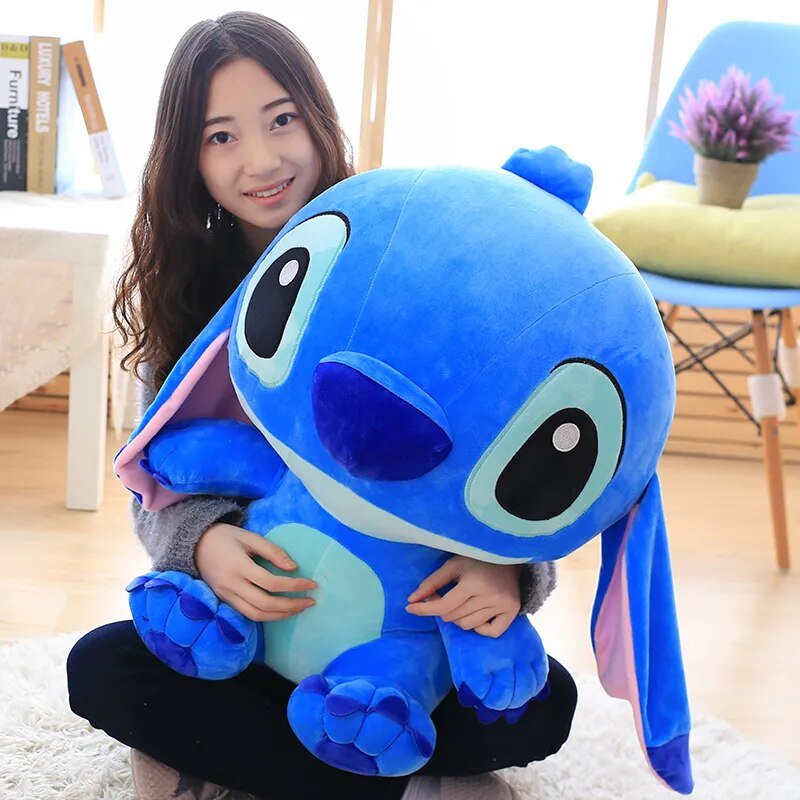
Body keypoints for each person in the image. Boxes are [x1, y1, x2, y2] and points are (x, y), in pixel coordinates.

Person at [66, 12, 576, 800]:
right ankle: (391, 776)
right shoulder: (187, 294)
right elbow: (154, 476)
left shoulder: (394, 246)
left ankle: (269, 760)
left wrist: (507, 569)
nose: (262, 161)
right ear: (187, 157)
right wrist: (202, 544)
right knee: (103, 667)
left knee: (543, 703)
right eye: (221, 137)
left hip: (401, 621)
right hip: (261, 624)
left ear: (318, 117)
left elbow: (497, 430)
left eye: (281, 121)